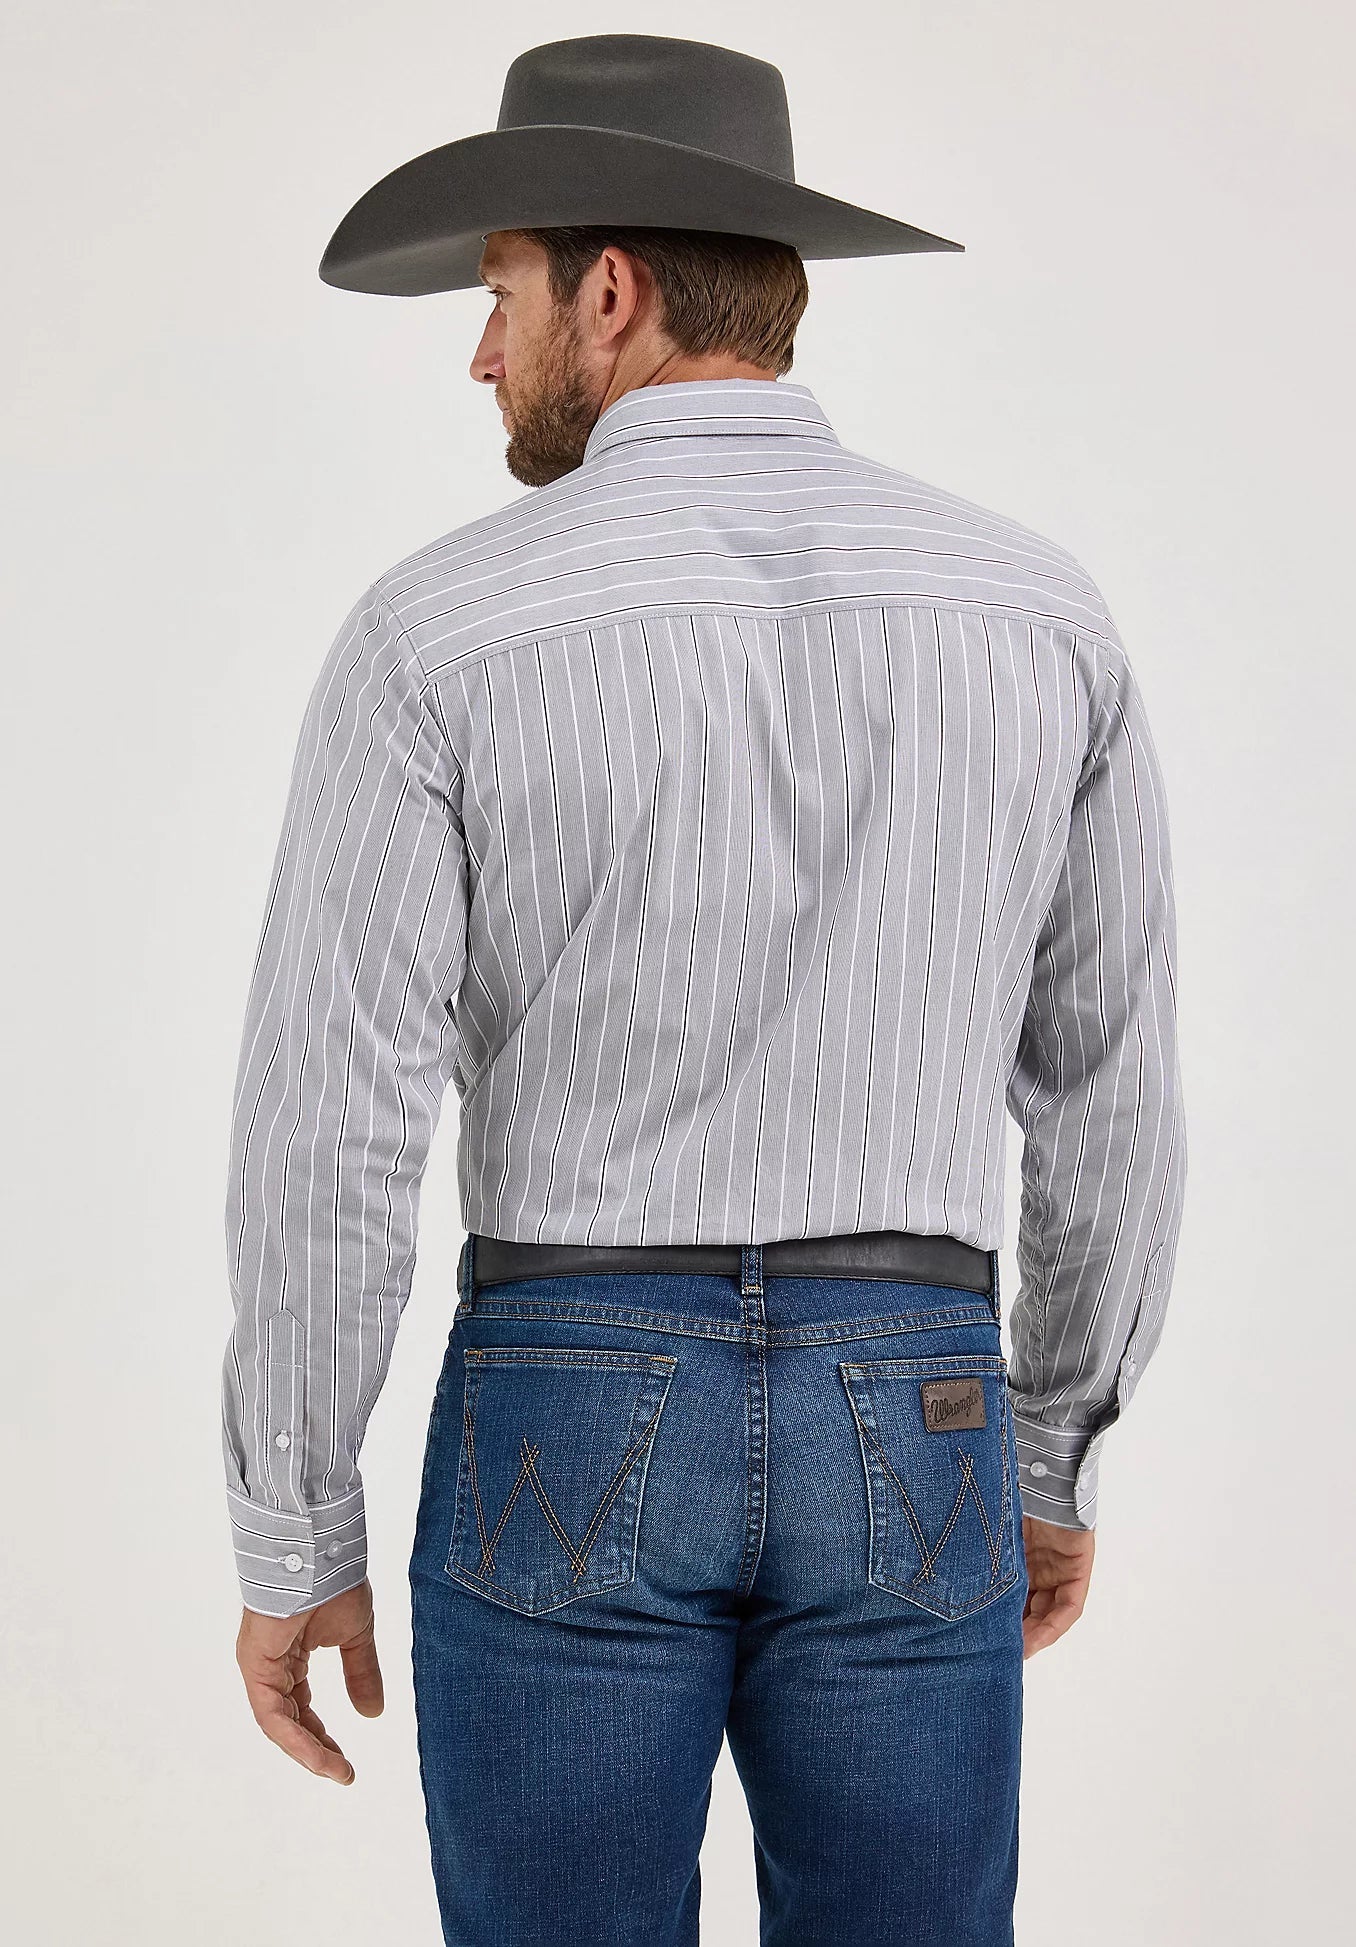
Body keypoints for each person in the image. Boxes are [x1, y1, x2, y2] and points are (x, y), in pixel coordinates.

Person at [222, 33, 1187, 1947]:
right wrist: (1053, 1446)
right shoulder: (1035, 612)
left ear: (611, 292)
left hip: (563, 1406)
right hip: (911, 1407)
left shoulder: (437, 632)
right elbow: (1113, 1094)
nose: (478, 355)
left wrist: (292, 1524)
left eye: (496, 294)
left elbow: (331, 1125)